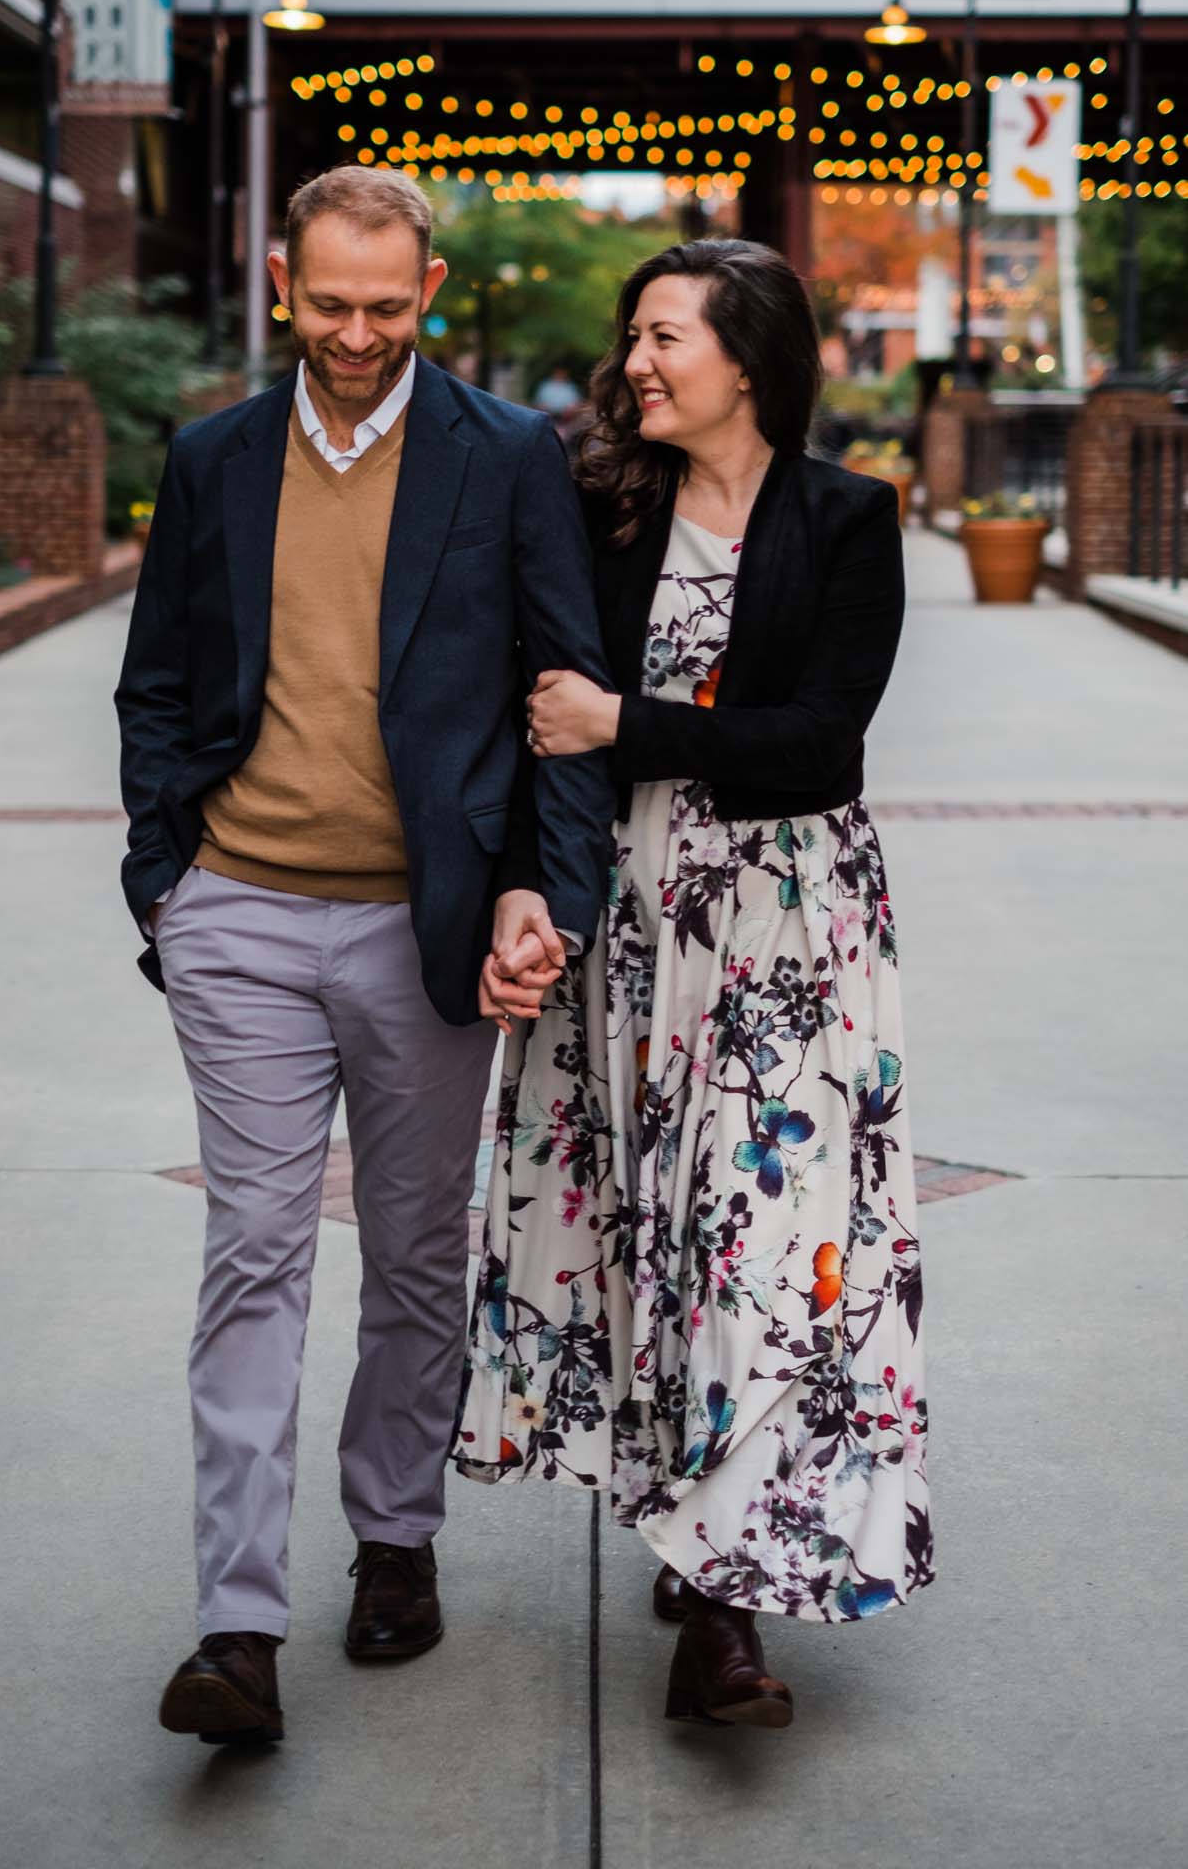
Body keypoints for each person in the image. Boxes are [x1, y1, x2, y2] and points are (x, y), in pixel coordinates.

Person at [114, 165, 613, 1746]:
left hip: (428, 922)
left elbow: (562, 688)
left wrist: (545, 887)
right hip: (241, 909)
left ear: (432, 287)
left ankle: (393, 1537)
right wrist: (163, 880)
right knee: (254, 1254)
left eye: (385, 306)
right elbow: (158, 682)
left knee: (408, 1254)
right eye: (327, 301)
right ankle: (236, 1626)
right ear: (282, 280)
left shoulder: (509, 456)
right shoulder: (212, 459)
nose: (353, 331)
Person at [457, 237, 934, 1731]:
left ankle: (719, 1620)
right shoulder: (607, 511)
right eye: (633, 338)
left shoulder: (849, 519)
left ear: (748, 359)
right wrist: (540, 869)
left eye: (664, 337)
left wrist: (623, 719)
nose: (636, 362)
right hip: (633, 921)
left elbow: (819, 744)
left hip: (789, 935)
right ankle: (693, 1511)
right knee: (652, 1239)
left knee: (762, 1249)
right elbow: (537, 713)